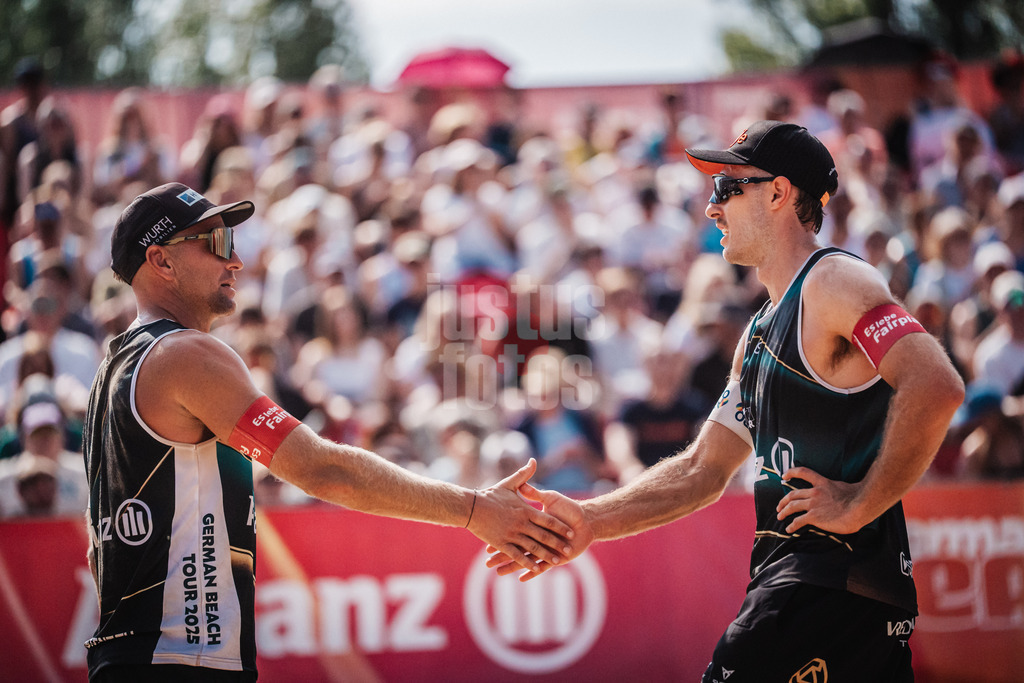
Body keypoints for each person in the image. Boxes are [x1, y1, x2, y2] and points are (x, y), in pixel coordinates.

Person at [488, 121, 965, 682]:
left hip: (817, 589)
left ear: (779, 193)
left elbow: (935, 385)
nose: (712, 208)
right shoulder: (758, 332)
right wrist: (590, 519)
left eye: (727, 188)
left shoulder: (833, 280)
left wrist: (860, 503)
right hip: (846, 595)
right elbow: (702, 470)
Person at [83, 182, 575, 681]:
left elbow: (100, 542)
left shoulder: (111, 372)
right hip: (179, 660)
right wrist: (474, 510)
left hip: (131, 656)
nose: (236, 261)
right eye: (216, 242)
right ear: (161, 261)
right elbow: (323, 470)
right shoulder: (185, 353)